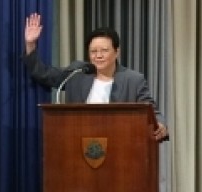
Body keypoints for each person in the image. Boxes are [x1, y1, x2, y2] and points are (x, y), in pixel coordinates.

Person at [23, 13, 169, 142]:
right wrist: (30, 44)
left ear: (116, 52)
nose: (98, 56)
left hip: (120, 148)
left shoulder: (133, 80)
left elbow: (152, 112)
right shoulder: (78, 73)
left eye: (104, 51)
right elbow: (44, 74)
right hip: (79, 143)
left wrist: (160, 125)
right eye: (93, 51)